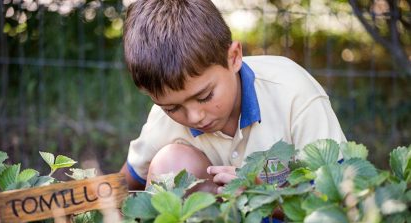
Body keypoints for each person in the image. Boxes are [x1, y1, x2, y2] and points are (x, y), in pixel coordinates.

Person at [119, 0, 346, 193]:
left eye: (205, 96)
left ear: (234, 57)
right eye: (172, 108)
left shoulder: (293, 92)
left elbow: (342, 191)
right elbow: (126, 184)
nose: (195, 116)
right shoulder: (163, 119)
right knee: (170, 163)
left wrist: (260, 193)